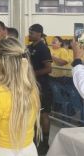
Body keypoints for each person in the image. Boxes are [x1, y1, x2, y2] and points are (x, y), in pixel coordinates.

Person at [27, 24, 52, 154]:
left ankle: (45, 142)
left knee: (44, 115)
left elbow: (49, 68)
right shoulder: (29, 47)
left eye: (31, 32)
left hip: (43, 86)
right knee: (33, 114)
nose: (29, 34)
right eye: (29, 32)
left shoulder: (43, 48)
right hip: (31, 86)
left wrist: (32, 74)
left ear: (39, 34)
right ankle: (35, 140)